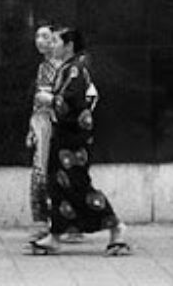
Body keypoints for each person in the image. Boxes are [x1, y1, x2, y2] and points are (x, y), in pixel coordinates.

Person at [31, 27, 130, 256]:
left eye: (55, 41)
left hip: (73, 141)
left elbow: (72, 101)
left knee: (79, 186)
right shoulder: (68, 68)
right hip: (63, 137)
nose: (51, 45)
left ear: (69, 45)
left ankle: (116, 227)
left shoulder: (76, 69)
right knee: (57, 186)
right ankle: (55, 235)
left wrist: (50, 99)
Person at [25, 23, 60, 242]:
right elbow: (38, 101)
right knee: (42, 176)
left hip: (55, 125)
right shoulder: (43, 67)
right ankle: (45, 223)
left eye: (45, 36)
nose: (39, 41)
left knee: (49, 176)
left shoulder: (63, 67)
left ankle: (51, 224)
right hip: (42, 125)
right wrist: (32, 129)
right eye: (37, 36)